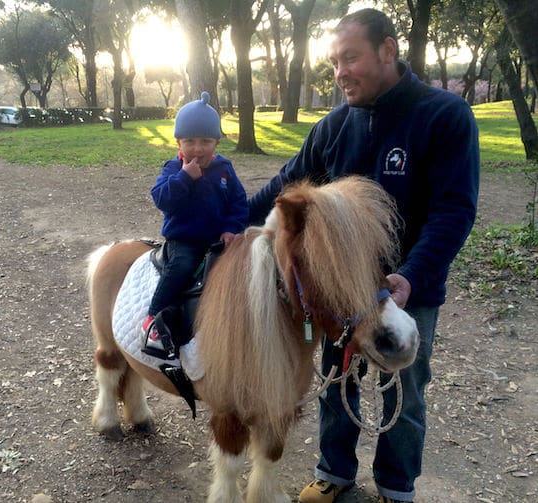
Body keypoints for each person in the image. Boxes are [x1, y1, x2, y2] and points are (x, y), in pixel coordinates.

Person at [248, 8, 479, 503]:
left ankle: (396, 489)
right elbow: (281, 186)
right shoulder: (333, 127)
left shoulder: (444, 116)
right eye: (334, 63)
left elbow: (453, 210)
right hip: (341, 292)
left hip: (408, 289)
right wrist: (218, 214)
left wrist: (412, 276)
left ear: (388, 50)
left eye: (349, 58)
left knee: (405, 389)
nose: (340, 73)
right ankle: (334, 473)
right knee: (336, 382)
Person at [143, 91, 249, 359]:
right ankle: (154, 316)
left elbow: (238, 202)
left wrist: (231, 228)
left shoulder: (224, 169)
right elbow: (162, 199)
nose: (198, 149)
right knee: (182, 267)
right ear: (179, 141)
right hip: (185, 240)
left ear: (216, 142)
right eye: (190, 141)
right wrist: (184, 178)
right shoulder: (172, 169)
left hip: (217, 239)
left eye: (206, 141)